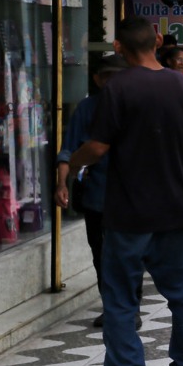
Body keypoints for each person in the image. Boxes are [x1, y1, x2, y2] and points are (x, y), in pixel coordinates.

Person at [62, 17, 183, 366]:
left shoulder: (118, 88)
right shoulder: (182, 85)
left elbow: (98, 147)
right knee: (181, 295)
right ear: (158, 41)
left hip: (127, 215)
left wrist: (72, 163)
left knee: (121, 299)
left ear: (119, 47)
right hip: (175, 210)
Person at [55, 52, 141, 329]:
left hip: (131, 195)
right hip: (96, 194)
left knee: (129, 253)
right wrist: (61, 184)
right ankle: (112, 306)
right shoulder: (87, 109)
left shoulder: (137, 106)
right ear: (97, 79)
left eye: (118, 76)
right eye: (107, 77)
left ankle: (130, 307)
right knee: (100, 252)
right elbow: (67, 150)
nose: (113, 82)